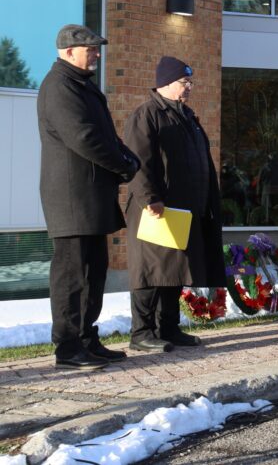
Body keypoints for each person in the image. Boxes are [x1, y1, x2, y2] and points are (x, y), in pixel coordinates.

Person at [37, 24, 140, 369]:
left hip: (90, 195)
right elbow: (84, 138)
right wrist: (123, 163)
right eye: (90, 49)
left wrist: (129, 158)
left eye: (97, 48)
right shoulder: (60, 86)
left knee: (93, 270)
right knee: (72, 274)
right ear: (68, 52)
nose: (96, 53)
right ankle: (67, 347)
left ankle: (85, 337)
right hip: (71, 198)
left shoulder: (81, 86)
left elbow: (105, 134)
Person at [123, 57, 225, 352]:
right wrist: (150, 198)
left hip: (183, 210)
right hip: (155, 209)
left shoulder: (185, 116)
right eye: (184, 82)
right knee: (150, 271)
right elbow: (138, 162)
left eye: (190, 82)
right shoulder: (147, 115)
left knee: (174, 271)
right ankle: (141, 332)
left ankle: (168, 327)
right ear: (166, 83)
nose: (189, 87)